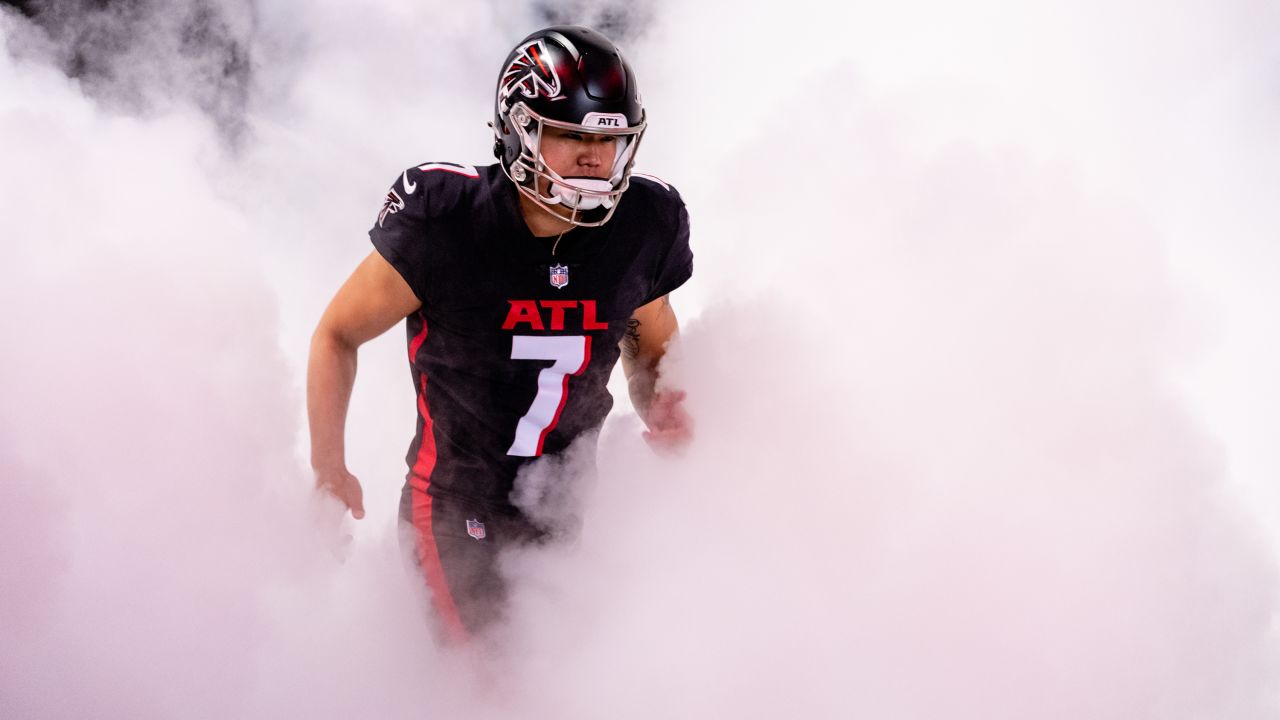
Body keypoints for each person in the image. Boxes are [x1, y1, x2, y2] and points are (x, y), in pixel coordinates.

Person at [306, 25, 693, 642]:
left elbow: (649, 348)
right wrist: (329, 468)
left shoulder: (645, 224)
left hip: (564, 511)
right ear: (519, 130)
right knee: (489, 686)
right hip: (457, 506)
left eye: (610, 139)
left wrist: (666, 410)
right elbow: (337, 334)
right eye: (570, 135)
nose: (595, 158)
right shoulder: (446, 218)